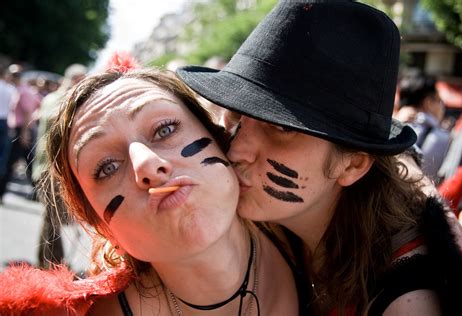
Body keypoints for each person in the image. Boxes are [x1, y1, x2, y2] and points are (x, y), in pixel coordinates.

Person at [176, 1, 462, 315]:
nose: (237, 150)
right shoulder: (277, 234)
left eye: (279, 127)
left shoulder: (407, 303)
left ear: (353, 164)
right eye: (235, 115)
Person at [0, 67, 298, 315]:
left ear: (218, 136)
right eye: (107, 167)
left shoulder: (316, 238)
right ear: (99, 224)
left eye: (165, 129)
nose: (147, 165)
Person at [32, 63, 88, 268]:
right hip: (49, 168)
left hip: (50, 167)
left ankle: (47, 262)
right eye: (81, 80)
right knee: (52, 217)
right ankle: (56, 265)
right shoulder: (59, 100)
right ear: (73, 80)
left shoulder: (53, 98)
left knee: (51, 217)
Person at [396, 68, 450, 182]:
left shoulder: (390, 129)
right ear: (428, 102)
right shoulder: (443, 138)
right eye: (439, 101)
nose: (442, 107)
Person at [0, 64, 41, 203]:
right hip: (19, 130)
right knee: (25, 161)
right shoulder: (19, 90)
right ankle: (39, 192)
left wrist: (24, 133)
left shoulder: (23, 91)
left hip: (21, 130)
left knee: (14, 162)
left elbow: (28, 113)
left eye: (11, 74)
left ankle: (39, 192)